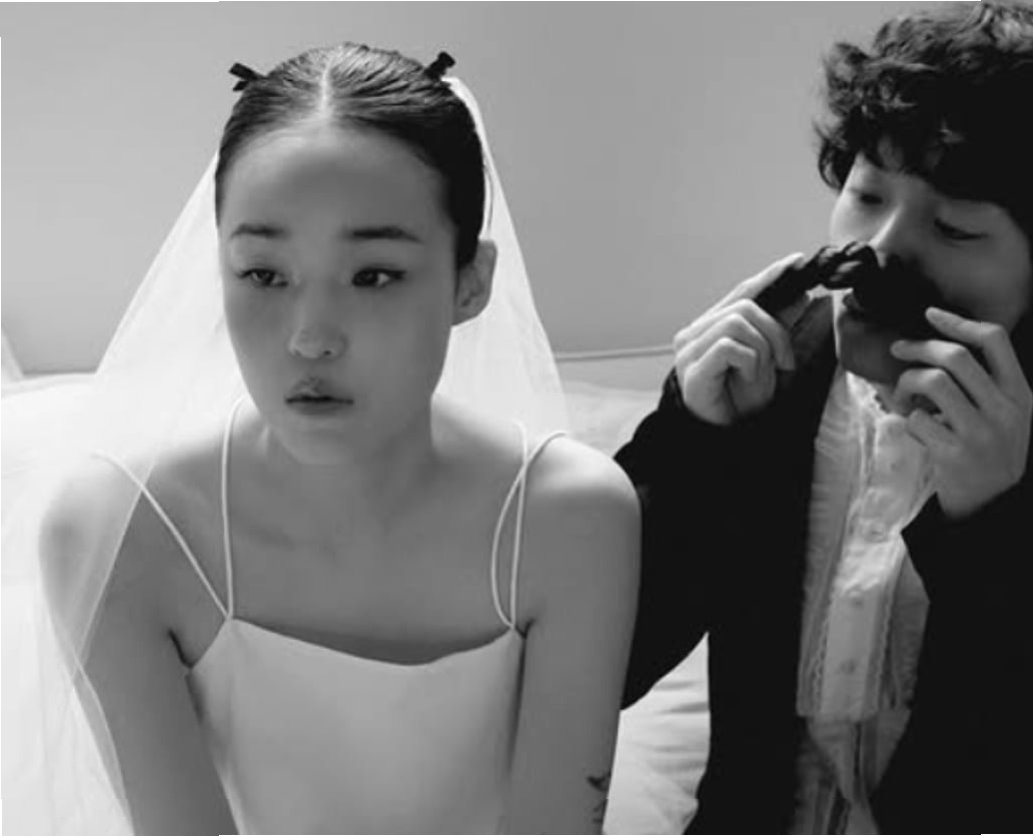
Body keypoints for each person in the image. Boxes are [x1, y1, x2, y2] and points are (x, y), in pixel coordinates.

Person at [7, 45, 639, 835]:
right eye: (264, 275)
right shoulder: (119, 529)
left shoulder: (570, 518)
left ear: (470, 282)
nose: (310, 339)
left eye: (373, 275)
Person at [616, 2, 1033, 832]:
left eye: (954, 228)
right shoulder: (759, 391)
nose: (882, 248)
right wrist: (696, 445)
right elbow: (599, 670)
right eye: (865, 194)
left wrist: (993, 529)